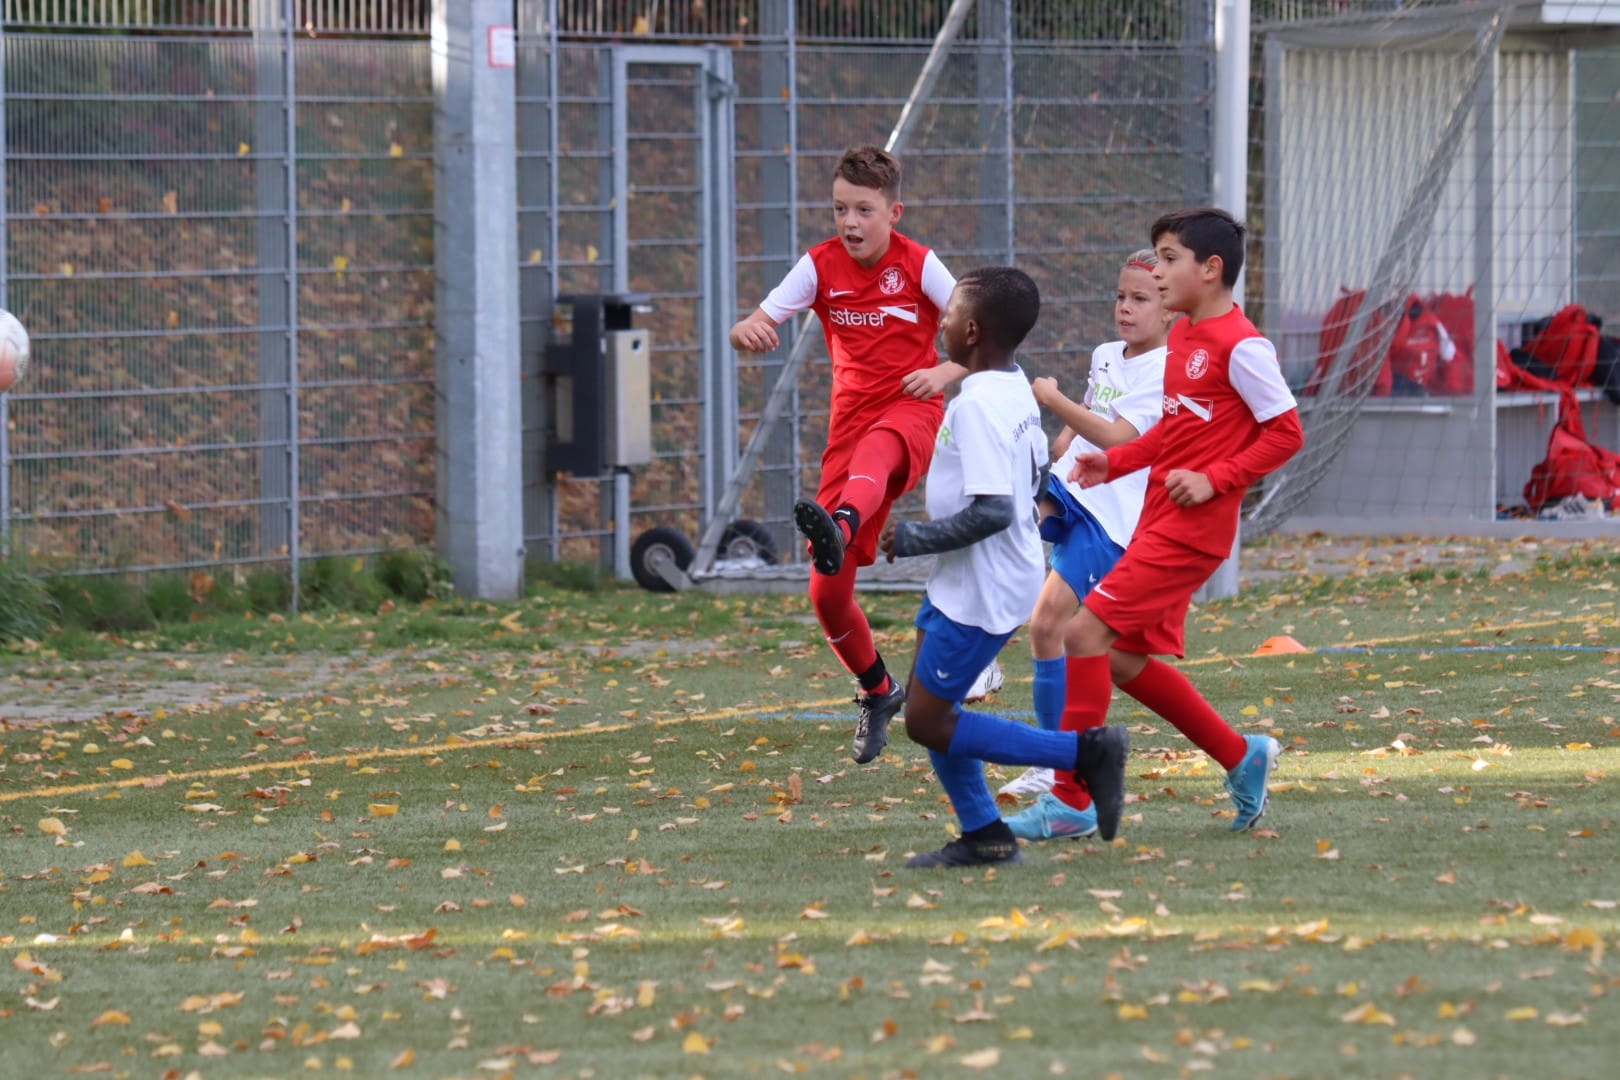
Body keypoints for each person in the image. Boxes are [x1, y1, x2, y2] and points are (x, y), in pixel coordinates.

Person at [877, 266, 1129, 869]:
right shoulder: (1013, 384)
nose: (938, 325)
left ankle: (1083, 754)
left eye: (946, 317)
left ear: (970, 331)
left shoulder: (978, 406)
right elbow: (1036, 474)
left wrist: (912, 537)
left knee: (927, 721)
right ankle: (985, 835)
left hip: (981, 589)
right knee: (933, 708)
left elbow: (992, 510)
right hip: (971, 579)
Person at [1065, 207, 1305, 833]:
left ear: (1211, 268)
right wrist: (1114, 462)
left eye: (1169, 260)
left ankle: (1071, 802)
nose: (1158, 272)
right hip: (1158, 518)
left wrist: (1215, 479)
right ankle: (1241, 755)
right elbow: (1175, 431)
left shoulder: (1242, 345)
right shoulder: (1186, 339)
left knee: (1082, 635)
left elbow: (1287, 433)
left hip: (1192, 530)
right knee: (1118, 659)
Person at [729, 145, 963, 766]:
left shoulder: (920, 264)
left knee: (878, 452)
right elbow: (749, 322)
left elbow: (987, 331)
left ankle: (841, 522)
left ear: (893, 213)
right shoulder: (819, 265)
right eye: (840, 209)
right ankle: (878, 689)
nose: (849, 222)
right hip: (850, 428)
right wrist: (746, 331)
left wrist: (943, 372)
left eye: (863, 210)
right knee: (827, 595)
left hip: (911, 410)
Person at [996, 250, 1173, 836]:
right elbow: (1092, 410)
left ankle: (1057, 761)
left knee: (1053, 625)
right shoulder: (1105, 354)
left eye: (1140, 298)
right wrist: (1061, 436)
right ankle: (1053, 755)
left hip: (1110, 517)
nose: (1125, 307)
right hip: (1073, 490)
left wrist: (1053, 400)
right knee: (1039, 605)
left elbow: (1118, 437)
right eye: (1121, 296)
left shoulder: (1167, 370)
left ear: (1170, 309)